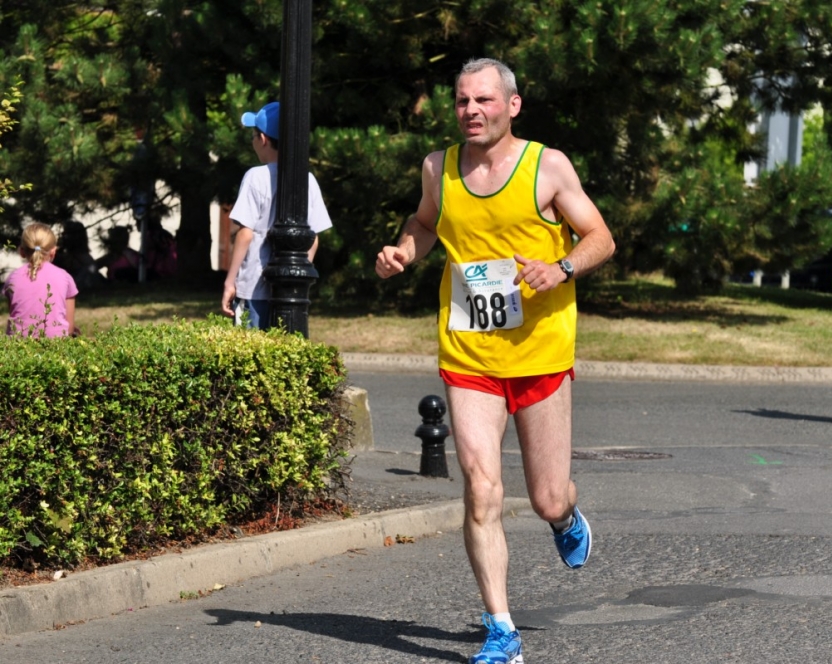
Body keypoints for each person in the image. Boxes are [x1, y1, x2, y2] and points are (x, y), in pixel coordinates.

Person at [375, 58, 615, 664]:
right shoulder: (439, 167)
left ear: (512, 105)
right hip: (469, 352)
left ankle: (565, 518)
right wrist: (405, 251)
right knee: (481, 489)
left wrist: (561, 268)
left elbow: (601, 238)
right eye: (462, 101)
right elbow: (424, 223)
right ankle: (501, 629)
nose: (471, 110)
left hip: (540, 351)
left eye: (483, 99)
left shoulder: (546, 167)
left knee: (546, 498)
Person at [221, 101, 333, 329]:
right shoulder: (308, 179)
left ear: (263, 139)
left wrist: (230, 282)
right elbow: (313, 238)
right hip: (289, 291)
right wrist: (296, 279)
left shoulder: (255, 177)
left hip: (253, 287)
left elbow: (245, 234)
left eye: (253, 135)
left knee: (249, 348)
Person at [4, 222, 79, 338]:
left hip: (18, 343)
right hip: (56, 343)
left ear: (22, 251)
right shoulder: (65, 277)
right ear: (53, 251)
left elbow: (14, 313)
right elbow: (69, 328)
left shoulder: (12, 278)